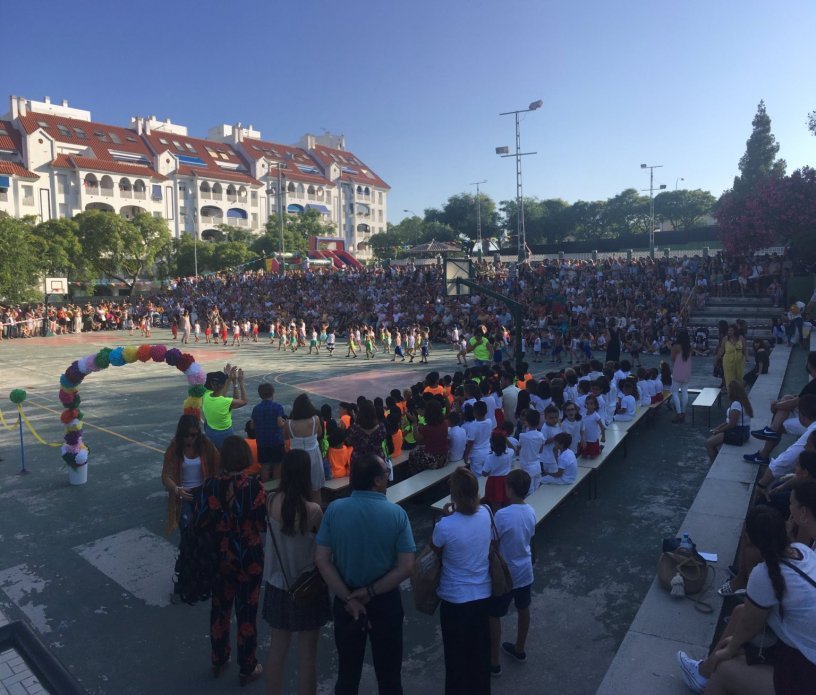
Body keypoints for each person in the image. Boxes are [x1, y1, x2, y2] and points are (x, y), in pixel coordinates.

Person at [677, 506, 816, 695]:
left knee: (724, 669)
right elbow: (748, 618)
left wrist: (728, 650)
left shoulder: (764, 574)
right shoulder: (803, 551)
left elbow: (750, 626)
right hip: (804, 651)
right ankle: (702, 673)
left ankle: (710, 673)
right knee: (740, 611)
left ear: (748, 539)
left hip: (807, 672)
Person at [315, 454, 416, 695]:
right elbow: (406, 566)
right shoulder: (396, 514)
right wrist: (370, 592)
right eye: (385, 473)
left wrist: (349, 598)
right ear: (377, 481)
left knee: (347, 676)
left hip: (346, 599)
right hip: (384, 600)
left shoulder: (335, 510)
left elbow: (321, 559)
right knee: (390, 676)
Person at [196, 436, 266, 686]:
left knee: (220, 608)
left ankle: (219, 657)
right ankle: (247, 666)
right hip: (249, 556)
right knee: (247, 611)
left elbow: (202, 520)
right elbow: (261, 523)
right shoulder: (254, 487)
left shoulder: (210, 485)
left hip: (220, 555)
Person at [263, 449, 331, 695]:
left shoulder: (270, 501)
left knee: (277, 649)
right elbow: (324, 550)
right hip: (306, 587)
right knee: (307, 654)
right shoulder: (313, 511)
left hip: (277, 583)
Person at [431, 468, 492, 694]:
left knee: (455, 660)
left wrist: (447, 519)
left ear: (454, 495)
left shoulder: (445, 526)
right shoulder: (486, 513)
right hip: (482, 595)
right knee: (479, 657)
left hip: (455, 599)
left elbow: (434, 549)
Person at [489, 469, 536, 676]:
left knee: (494, 614)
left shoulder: (502, 514)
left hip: (506, 572)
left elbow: (493, 541)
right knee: (523, 607)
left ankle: (494, 662)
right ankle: (520, 648)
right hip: (525, 568)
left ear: (509, 489)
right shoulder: (530, 511)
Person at [745, 351, 816, 464]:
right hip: (810, 413)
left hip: (812, 422)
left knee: (779, 424)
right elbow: (800, 398)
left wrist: (776, 405)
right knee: (787, 398)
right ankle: (771, 431)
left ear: (810, 364)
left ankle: (765, 451)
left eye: (806, 361)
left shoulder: (814, 383)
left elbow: (797, 402)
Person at [162, 414, 221, 535]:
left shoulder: (206, 444)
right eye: (186, 435)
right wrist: (177, 489)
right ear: (180, 434)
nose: (190, 438)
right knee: (187, 530)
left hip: (203, 493)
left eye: (194, 435)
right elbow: (166, 475)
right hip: (184, 495)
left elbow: (218, 463)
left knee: (205, 530)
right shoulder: (174, 448)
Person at [283, 394, 325, 503]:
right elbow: (320, 434)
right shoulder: (315, 419)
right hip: (313, 455)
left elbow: (285, 437)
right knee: (316, 489)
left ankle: (299, 512)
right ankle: (317, 513)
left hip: (296, 457)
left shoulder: (288, 423)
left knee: (297, 488)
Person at [705, 381, 753, 463]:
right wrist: (718, 428)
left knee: (709, 443)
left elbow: (732, 424)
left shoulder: (736, 405)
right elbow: (729, 421)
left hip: (738, 434)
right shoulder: (742, 402)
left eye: (728, 390)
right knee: (712, 440)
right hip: (741, 431)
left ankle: (714, 463)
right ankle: (715, 459)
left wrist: (719, 431)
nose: (727, 392)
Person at [202, 366, 247, 450]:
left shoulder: (206, 395)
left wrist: (228, 378)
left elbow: (221, 393)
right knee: (227, 454)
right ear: (223, 385)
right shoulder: (225, 402)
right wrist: (239, 382)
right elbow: (244, 401)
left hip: (210, 431)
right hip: (224, 434)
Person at [251, 382, 286, 482]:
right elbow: (279, 423)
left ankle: (265, 488)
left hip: (262, 442)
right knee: (277, 465)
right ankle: (275, 488)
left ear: (260, 395)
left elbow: (252, 425)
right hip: (276, 441)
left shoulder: (256, 408)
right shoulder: (277, 407)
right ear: (272, 393)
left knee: (265, 466)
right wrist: (285, 423)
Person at [407, 399, 448, 474]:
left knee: (412, 454)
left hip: (435, 460)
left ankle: (416, 474)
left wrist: (414, 423)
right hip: (444, 457)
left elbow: (417, 439)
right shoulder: (445, 423)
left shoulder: (427, 428)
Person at [671, 329, 692, 424]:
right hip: (686, 371)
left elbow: (672, 358)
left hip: (677, 370)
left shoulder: (676, 347)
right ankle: (683, 412)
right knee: (685, 392)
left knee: (674, 392)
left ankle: (678, 413)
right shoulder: (689, 347)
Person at [717, 324, 745, 395]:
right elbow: (721, 349)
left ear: (735, 331)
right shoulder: (725, 339)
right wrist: (717, 359)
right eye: (728, 330)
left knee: (739, 377)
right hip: (728, 361)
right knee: (729, 378)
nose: (729, 332)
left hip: (739, 361)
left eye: (731, 330)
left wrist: (746, 358)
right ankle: (731, 393)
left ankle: (739, 393)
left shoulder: (741, 338)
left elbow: (745, 349)